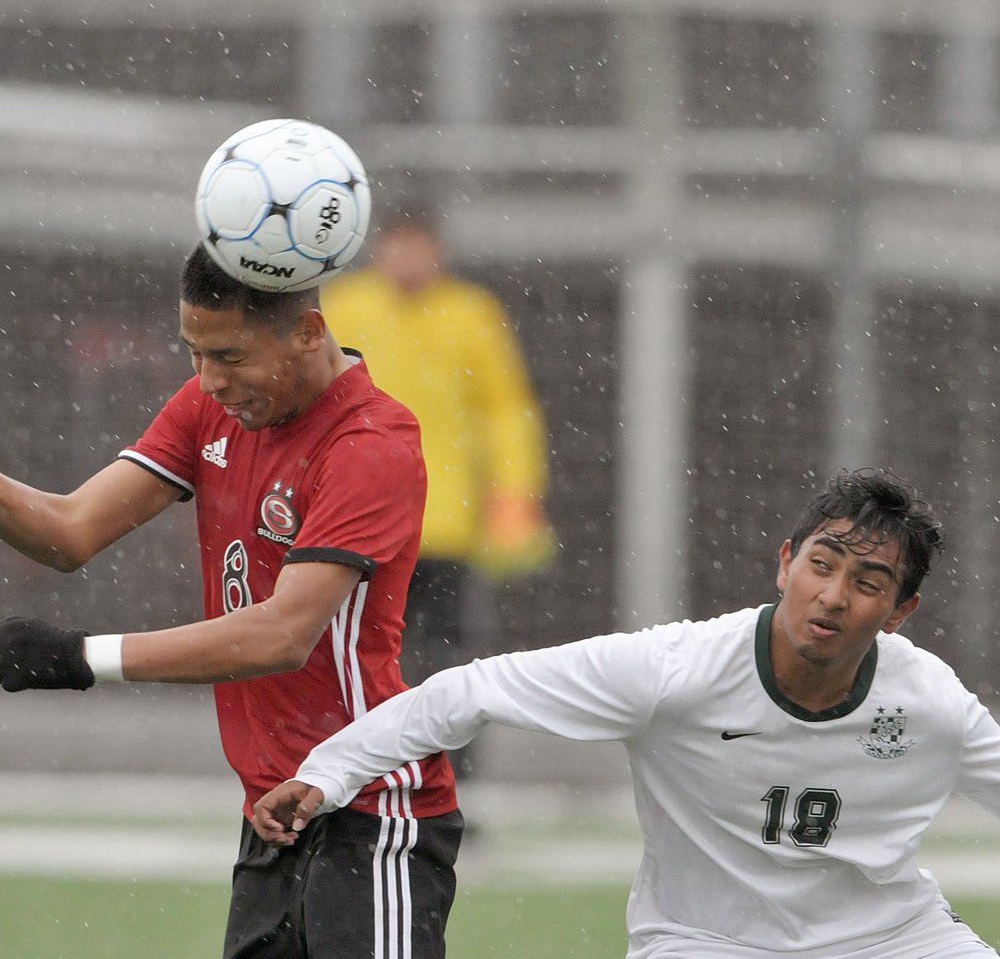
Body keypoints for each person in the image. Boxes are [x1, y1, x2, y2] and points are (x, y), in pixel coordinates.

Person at [252, 468, 1000, 959]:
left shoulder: (931, 705)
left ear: (902, 610)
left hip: (890, 937)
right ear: (785, 562)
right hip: (703, 939)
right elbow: (470, 690)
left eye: (868, 582)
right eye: (822, 564)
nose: (834, 595)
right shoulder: (675, 671)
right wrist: (330, 771)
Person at [0, 242, 461, 959]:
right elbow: (69, 531)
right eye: (194, 352)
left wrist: (78, 657)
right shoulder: (209, 406)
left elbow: (283, 632)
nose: (210, 379)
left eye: (231, 356)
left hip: (370, 813)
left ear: (309, 331)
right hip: (272, 812)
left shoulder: (371, 442)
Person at [318, 208, 554, 738]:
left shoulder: (471, 313)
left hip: (447, 521)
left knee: (445, 657)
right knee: (354, 649)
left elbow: (505, 408)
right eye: (399, 246)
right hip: (358, 515)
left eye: (418, 246)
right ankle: (353, 763)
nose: (409, 259)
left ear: (438, 251)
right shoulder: (345, 305)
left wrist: (516, 492)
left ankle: (447, 773)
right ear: (379, 248)